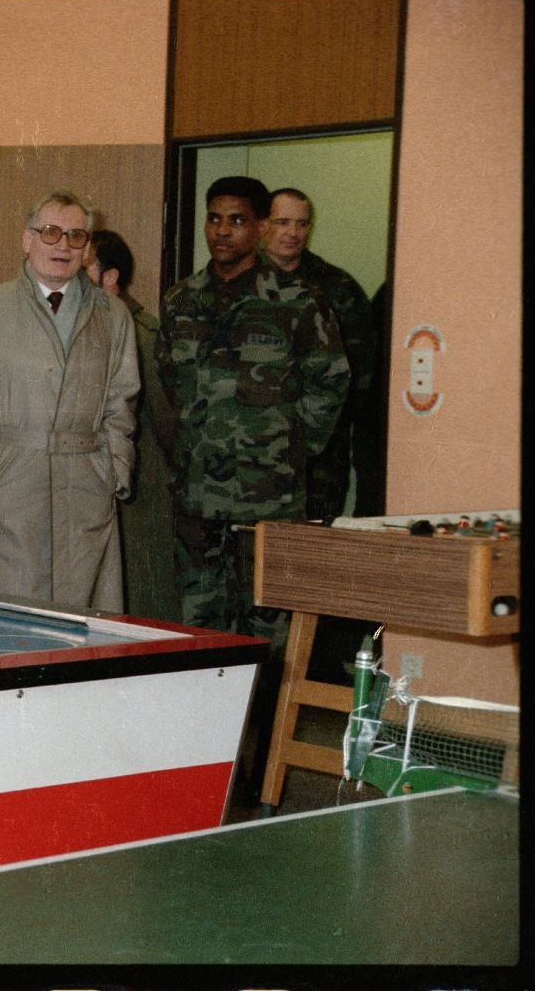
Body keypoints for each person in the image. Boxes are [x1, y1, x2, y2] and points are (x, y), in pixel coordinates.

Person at [156, 175, 349, 795]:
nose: (222, 232)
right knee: (203, 636)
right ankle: (207, 766)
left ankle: (260, 771)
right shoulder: (181, 300)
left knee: (267, 641)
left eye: (236, 220)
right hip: (198, 503)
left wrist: (287, 452)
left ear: (261, 227)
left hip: (269, 504)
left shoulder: (297, 300)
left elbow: (330, 386)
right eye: (214, 220)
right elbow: (169, 388)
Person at [0, 192, 139, 611]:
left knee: (84, 623)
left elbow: (122, 402)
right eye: (50, 233)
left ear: (88, 247)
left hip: (86, 484)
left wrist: (114, 470)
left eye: (76, 236)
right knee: (10, 623)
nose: (62, 245)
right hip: (8, 485)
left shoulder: (112, 315)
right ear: (27, 240)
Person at [262, 187, 377, 521]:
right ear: (263, 225)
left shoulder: (337, 287)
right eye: (283, 222)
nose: (293, 233)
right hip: (247, 451)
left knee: (311, 551)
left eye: (302, 224)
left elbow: (361, 375)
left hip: (317, 458)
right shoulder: (236, 282)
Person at [85, 228, 180, 621]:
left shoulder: (141, 334)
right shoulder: (91, 327)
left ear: (111, 277)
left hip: (141, 488)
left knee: (142, 596)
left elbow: (167, 419)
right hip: (102, 482)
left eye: (86, 265)